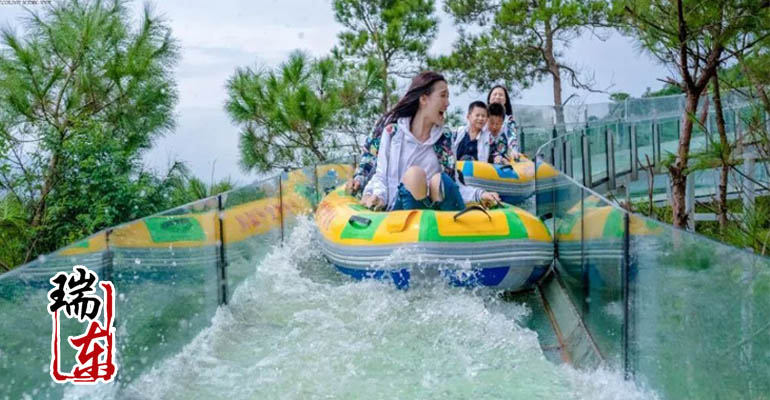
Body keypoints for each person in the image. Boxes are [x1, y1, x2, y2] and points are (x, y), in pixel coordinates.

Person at [361, 71, 501, 211]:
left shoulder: (445, 139)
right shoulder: (392, 133)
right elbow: (381, 176)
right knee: (415, 175)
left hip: (437, 214)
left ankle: (453, 223)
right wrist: (378, 197)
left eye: (448, 97)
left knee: (441, 180)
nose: (447, 103)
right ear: (423, 99)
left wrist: (480, 194)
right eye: (443, 95)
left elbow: (455, 183)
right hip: (401, 212)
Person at [487, 85, 520, 159]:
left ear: (505, 100)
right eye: (495, 94)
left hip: (501, 158)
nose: (497, 97)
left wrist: (513, 151)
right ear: (489, 99)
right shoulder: (482, 116)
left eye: (501, 95)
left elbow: (512, 137)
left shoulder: (509, 120)